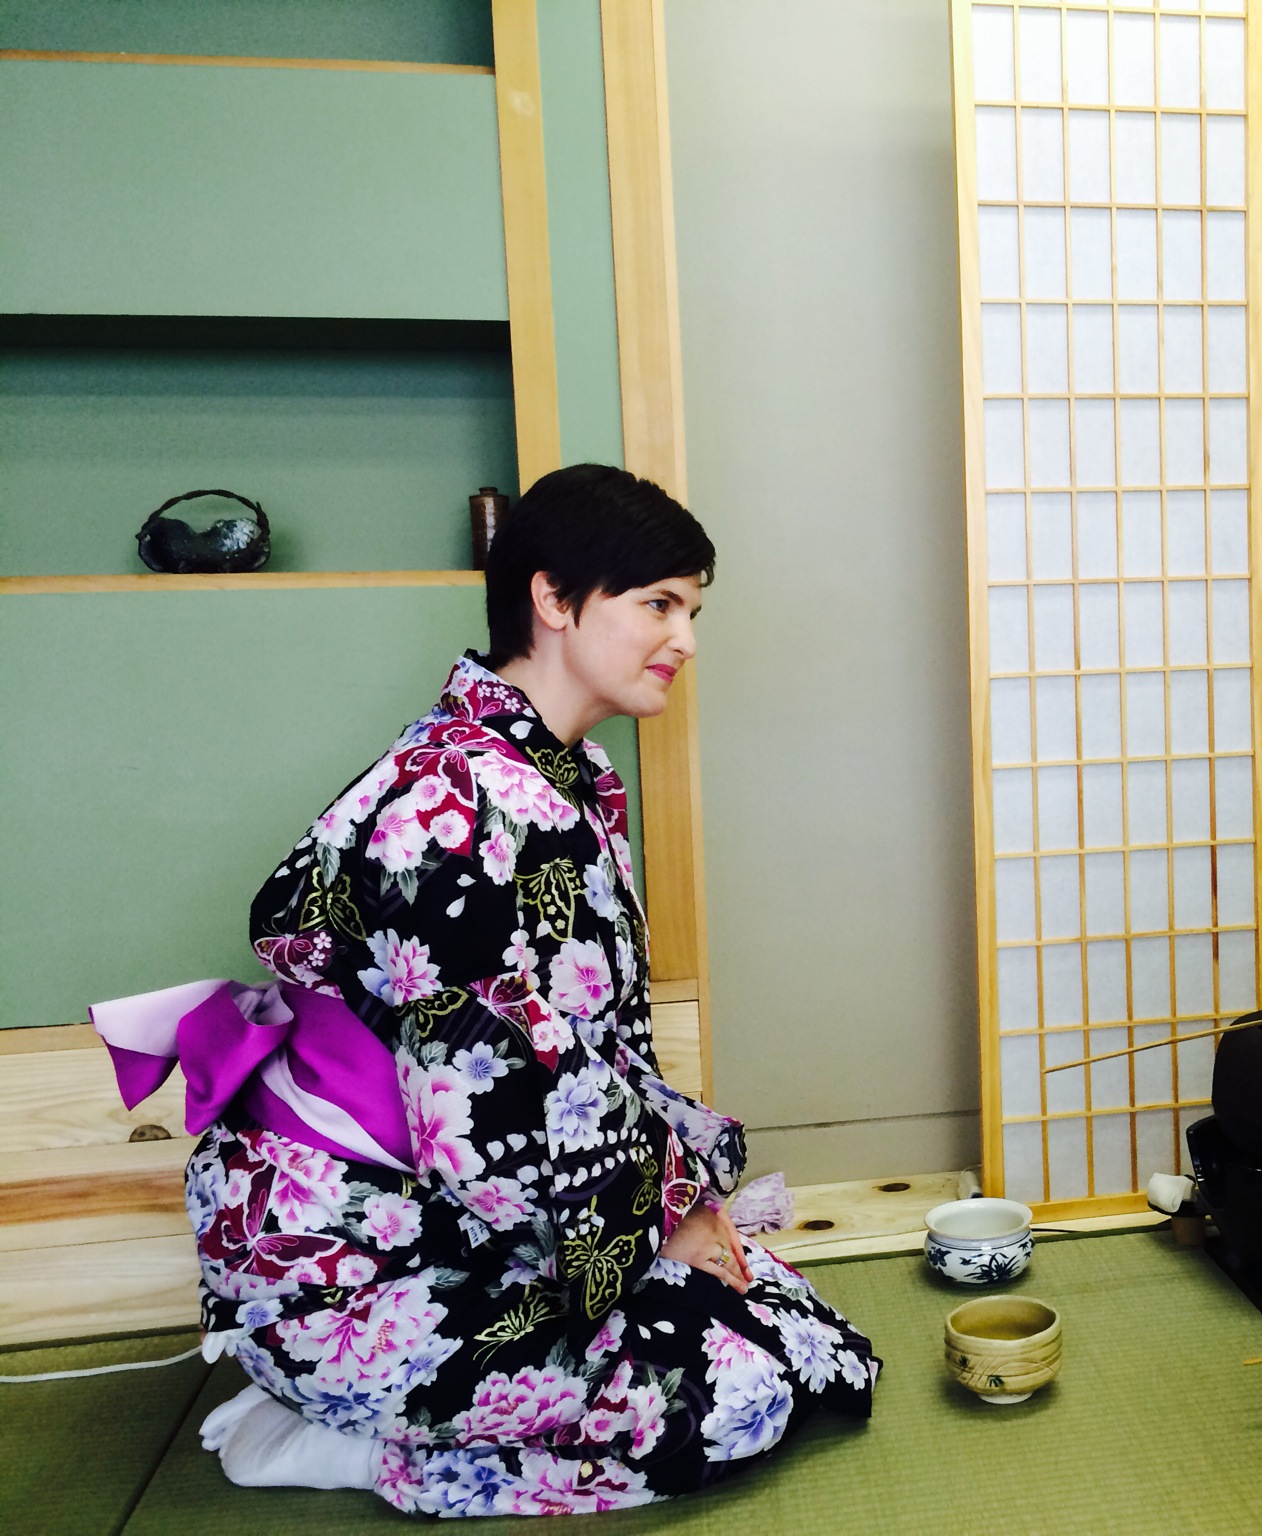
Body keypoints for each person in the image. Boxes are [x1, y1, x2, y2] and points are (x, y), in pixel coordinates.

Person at [177, 464, 877, 1516]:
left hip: (466, 1216)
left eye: (691, 610)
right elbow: (489, 1099)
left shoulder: (549, 778)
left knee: (805, 1336)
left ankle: (389, 1414)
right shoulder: (452, 805)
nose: (685, 638)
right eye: (659, 604)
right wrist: (665, 1220)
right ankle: (340, 1444)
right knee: (735, 1395)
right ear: (553, 599)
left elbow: (580, 1056)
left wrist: (681, 1202)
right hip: (359, 1268)